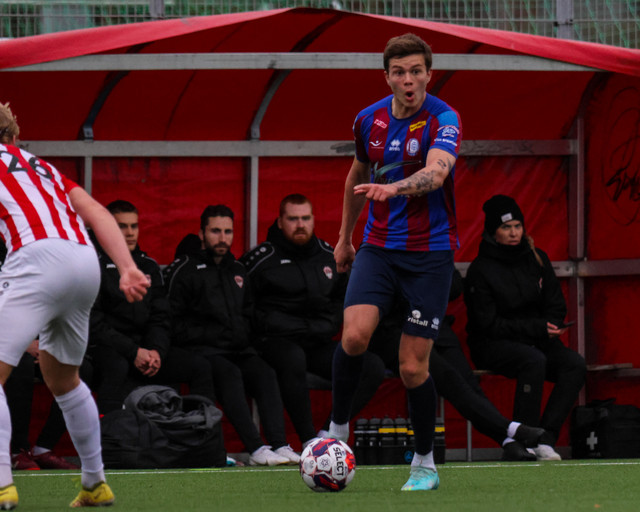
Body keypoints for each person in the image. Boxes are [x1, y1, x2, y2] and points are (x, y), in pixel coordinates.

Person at [328, 33, 462, 491]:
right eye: (399, 72)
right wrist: (344, 239)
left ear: (429, 74)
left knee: (411, 367)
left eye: (416, 71)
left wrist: (395, 188)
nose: (408, 80)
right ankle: (336, 434)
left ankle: (424, 464)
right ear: (386, 77)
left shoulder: (444, 118)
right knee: (354, 336)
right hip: (379, 247)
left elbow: (437, 172)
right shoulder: (368, 120)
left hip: (430, 255)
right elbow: (357, 174)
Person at [0, 102, 149, 508]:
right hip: (84, 261)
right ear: (15, 136)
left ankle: (2, 483)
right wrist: (127, 268)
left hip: (36, 257)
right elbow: (97, 212)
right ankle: (94, 483)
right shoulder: (42, 168)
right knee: (63, 378)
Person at [241, 194, 385, 449]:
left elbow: (344, 300)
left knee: (371, 365)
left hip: (318, 341)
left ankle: (327, 434)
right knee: (293, 357)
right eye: (293, 219)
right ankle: (309, 440)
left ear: (313, 219)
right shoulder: (261, 259)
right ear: (280, 221)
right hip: (274, 342)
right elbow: (246, 306)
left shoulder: (329, 255)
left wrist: (326, 325)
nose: (300, 225)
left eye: (305, 218)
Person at [164, 204, 296, 466]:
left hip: (237, 348)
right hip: (202, 350)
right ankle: (256, 448)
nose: (222, 238)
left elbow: (248, 312)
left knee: (264, 372)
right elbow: (173, 322)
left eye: (228, 232)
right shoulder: (185, 270)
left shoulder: (237, 269)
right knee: (229, 373)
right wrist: (210, 336)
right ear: (202, 234)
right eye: (215, 231)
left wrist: (244, 337)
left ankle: (280, 444)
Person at [370, 269, 547, 461]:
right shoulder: (379, 256)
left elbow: (455, 285)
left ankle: (508, 441)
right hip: (396, 333)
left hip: (434, 326)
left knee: (469, 382)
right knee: (450, 379)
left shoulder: (429, 252)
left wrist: (426, 282)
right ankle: (509, 429)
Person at [464, 194, 587, 461]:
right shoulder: (480, 270)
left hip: (538, 339)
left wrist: (553, 324)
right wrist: (537, 328)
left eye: (517, 226)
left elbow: (555, 303)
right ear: (493, 232)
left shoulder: (537, 258)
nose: (513, 233)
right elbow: (488, 324)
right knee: (533, 360)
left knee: (574, 364)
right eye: (506, 227)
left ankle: (545, 439)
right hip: (492, 344)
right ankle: (523, 440)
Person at [88, 200, 218, 417]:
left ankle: (197, 432)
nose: (130, 233)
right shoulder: (92, 264)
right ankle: (111, 435)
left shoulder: (148, 265)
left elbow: (161, 315)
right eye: (122, 226)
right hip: (110, 349)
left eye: (134, 226)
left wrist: (156, 350)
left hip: (147, 350)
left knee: (200, 366)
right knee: (116, 366)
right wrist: (133, 351)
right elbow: (93, 323)